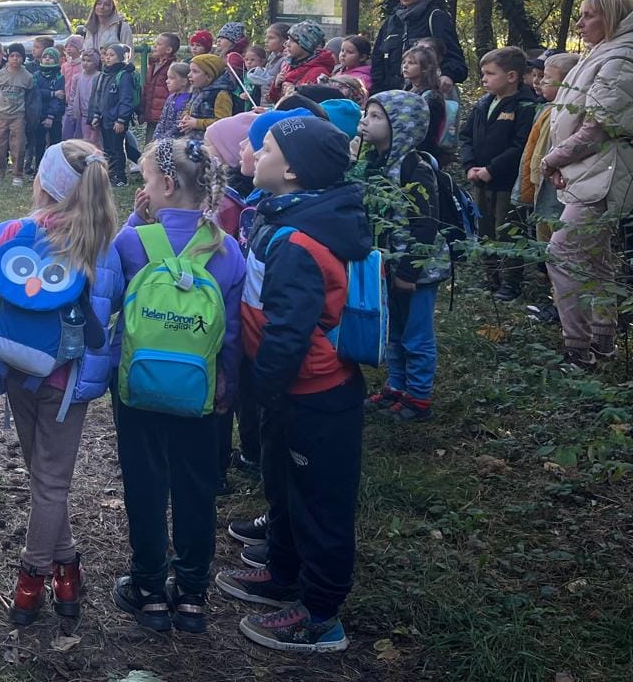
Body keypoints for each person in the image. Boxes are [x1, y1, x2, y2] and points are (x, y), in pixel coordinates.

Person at [216, 115, 368, 654]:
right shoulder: (285, 215)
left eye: (268, 148)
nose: (254, 154)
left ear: (295, 173)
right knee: (282, 485)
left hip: (314, 395)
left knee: (318, 503)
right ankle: (282, 573)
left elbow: (290, 331)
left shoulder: (300, 240)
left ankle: (321, 614)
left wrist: (264, 387)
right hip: (286, 392)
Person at [0, 140, 125, 625]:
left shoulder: (13, 233)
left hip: (18, 371)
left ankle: (31, 581)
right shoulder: (107, 243)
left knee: (46, 481)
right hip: (68, 382)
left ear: (45, 183)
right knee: (49, 482)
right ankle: (67, 570)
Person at [111, 138, 244, 635]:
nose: (143, 189)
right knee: (197, 486)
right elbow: (230, 332)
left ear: (164, 185)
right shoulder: (226, 248)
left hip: (139, 388)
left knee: (144, 482)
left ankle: (147, 587)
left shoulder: (132, 243)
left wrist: (133, 221)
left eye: (146, 181)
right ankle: (191, 593)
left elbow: (111, 298)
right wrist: (226, 387)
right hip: (200, 391)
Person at [542, 0, 633, 367]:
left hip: (603, 173)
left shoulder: (621, 57)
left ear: (611, 18)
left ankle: (578, 349)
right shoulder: (605, 51)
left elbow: (598, 128)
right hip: (588, 170)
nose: (579, 25)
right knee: (594, 260)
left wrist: (552, 160)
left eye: (588, 16)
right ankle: (602, 343)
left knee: (561, 252)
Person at [358, 92, 445, 422]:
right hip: (385, 265)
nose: (366, 121)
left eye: (377, 117)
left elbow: (425, 225)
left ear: (402, 126)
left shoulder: (414, 168)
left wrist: (409, 271)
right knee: (393, 329)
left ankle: (419, 397)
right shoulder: (373, 163)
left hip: (417, 269)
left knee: (416, 333)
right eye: (366, 114)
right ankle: (397, 386)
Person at [459, 46, 537, 300]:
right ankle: (489, 277)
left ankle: (510, 282)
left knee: (508, 230)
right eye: (483, 73)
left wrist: (492, 169)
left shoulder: (525, 105)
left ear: (512, 76)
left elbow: (522, 145)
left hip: (506, 182)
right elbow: (466, 135)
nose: (484, 79)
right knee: (485, 229)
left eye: (490, 74)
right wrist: (470, 165)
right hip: (478, 179)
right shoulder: (484, 103)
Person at [517, 53, 579, 318]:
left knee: (561, 250)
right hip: (540, 190)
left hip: (558, 194)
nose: (539, 82)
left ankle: (563, 309)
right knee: (545, 245)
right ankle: (552, 301)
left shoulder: (571, 114)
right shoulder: (545, 110)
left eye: (547, 79)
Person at [369, 0, 468, 95]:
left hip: (426, 94)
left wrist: (447, 75)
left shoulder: (436, 18)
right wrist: (377, 94)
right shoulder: (391, 22)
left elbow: (455, 59)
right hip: (392, 96)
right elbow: (377, 61)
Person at [90, 43, 138, 185]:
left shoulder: (123, 75)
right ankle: (110, 174)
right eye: (106, 55)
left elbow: (126, 99)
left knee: (118, 149)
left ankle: (120, 176)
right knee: (108, 149)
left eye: (112, 55)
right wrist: (96, 115)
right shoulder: (105, 73)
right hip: (105, 118)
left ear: (121, 57)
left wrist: (122, 119)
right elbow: (100, 97)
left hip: (117, 120)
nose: (108, 58)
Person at [0, 44, 36, 185]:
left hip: (18, 116)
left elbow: (30, 97)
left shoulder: (28, 77)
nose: (15, 59)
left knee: (18, 146)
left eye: (18, 56)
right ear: (7, 57)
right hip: (1, 115)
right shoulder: (0, 75)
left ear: (23, 58)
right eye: (12, 56)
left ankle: (17, 174)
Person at [271, 22, 336, 100]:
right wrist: (276, 85)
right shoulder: (289, 65)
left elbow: (310, 103)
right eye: (288, 39)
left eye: (293, 40)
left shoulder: (318, 73)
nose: (287, 44)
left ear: (307, 45)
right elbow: (275, 99)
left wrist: (293, 91)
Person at [29, 47, 68, 165]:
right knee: (39, 144)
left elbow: (59, 99)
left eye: (50, 58)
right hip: (38, 114)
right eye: (45, 57)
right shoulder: (35, 75)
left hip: (54, 117)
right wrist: (52, 93)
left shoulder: (59, 77)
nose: (47, 59)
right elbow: (35, 93)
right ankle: (39, 168)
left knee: (55, 144)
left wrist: (51, 116)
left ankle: (55, 167)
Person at [181, 53, 237, 135]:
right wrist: (186, 117)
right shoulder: (197, 90)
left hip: (210, 142)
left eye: (195, 71)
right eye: (190, 71)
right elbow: (188, 108)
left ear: (209, 76)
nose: (189, 75)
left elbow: (223, 122)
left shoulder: (221, 94)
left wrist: (197, 123)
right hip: (192, 137)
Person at [141, 34, 179, 141]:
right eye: (154, 44)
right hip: (151, 114)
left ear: (168, 50)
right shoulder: (153, 65)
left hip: (163, 115)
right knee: (149, 143)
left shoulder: (173, 67)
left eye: (158, 44)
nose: (154, 47)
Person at [69, 48, 104, 150]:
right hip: (82, 115)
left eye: (89, 61)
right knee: (84, 141)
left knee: (95, 142)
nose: (85, 63)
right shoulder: (77, 78)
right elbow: (73, 95)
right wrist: (72, 111)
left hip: (95, 116)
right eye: (84, 60)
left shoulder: (100, 77)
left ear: (96, 63)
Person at [157, 62, 193, 145]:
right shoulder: (170, 97)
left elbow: (179, 124)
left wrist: (164, 138)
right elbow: (162, 120)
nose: (167, 81)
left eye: (171, 78)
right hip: (162, 141)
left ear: (184, 81)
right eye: (167, 78)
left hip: (176, 143)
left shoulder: (188, 99)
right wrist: (157, 137)